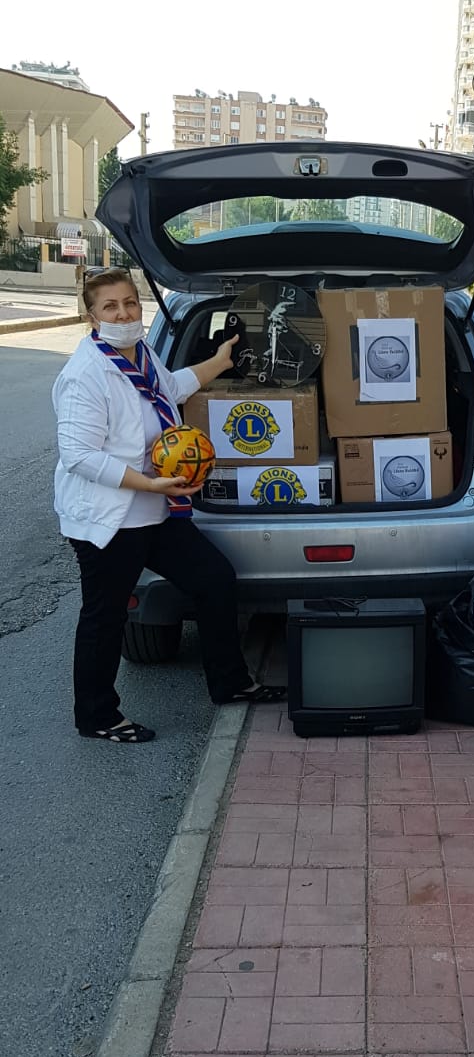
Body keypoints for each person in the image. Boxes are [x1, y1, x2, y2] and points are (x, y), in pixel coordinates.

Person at [53, 267, 285, 742]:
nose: (123, 313)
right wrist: (150, 484)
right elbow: (78, 456)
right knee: (105, 615)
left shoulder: (140, 354)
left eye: (129, 303)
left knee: (214, 579)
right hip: (112, 516)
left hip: (155, 509)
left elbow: (169, 389)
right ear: (91, 315)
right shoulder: (85, 374)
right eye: (110, 307)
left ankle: (231, 683)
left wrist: (220, 361)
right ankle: (97, 717)